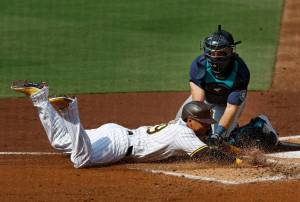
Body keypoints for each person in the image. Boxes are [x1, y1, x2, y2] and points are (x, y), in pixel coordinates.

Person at [11, 80, 240, 168]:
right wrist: (237, 161)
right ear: (190, 121)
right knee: (80, 159)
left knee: (61, 142)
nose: (208, 126)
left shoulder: (179, 127)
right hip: (118, 145)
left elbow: (209, 142)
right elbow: (208, 154)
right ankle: (70, 109)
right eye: (204, 123)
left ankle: (39, 96)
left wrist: (228, 147)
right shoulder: (185, 136)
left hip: (114, 133)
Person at [176, 25, 250, 147]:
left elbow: (231, 108)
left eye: (220, 52)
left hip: (226, 105)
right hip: (205, 101)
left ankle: (238, 132)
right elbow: (198, 104)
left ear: (231, 51)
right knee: (180, 127)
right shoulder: (199, 65)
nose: (215, 55)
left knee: (219, 141)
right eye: (211, 52)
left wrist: (217, 134)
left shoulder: (240, 72)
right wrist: (204, 126)